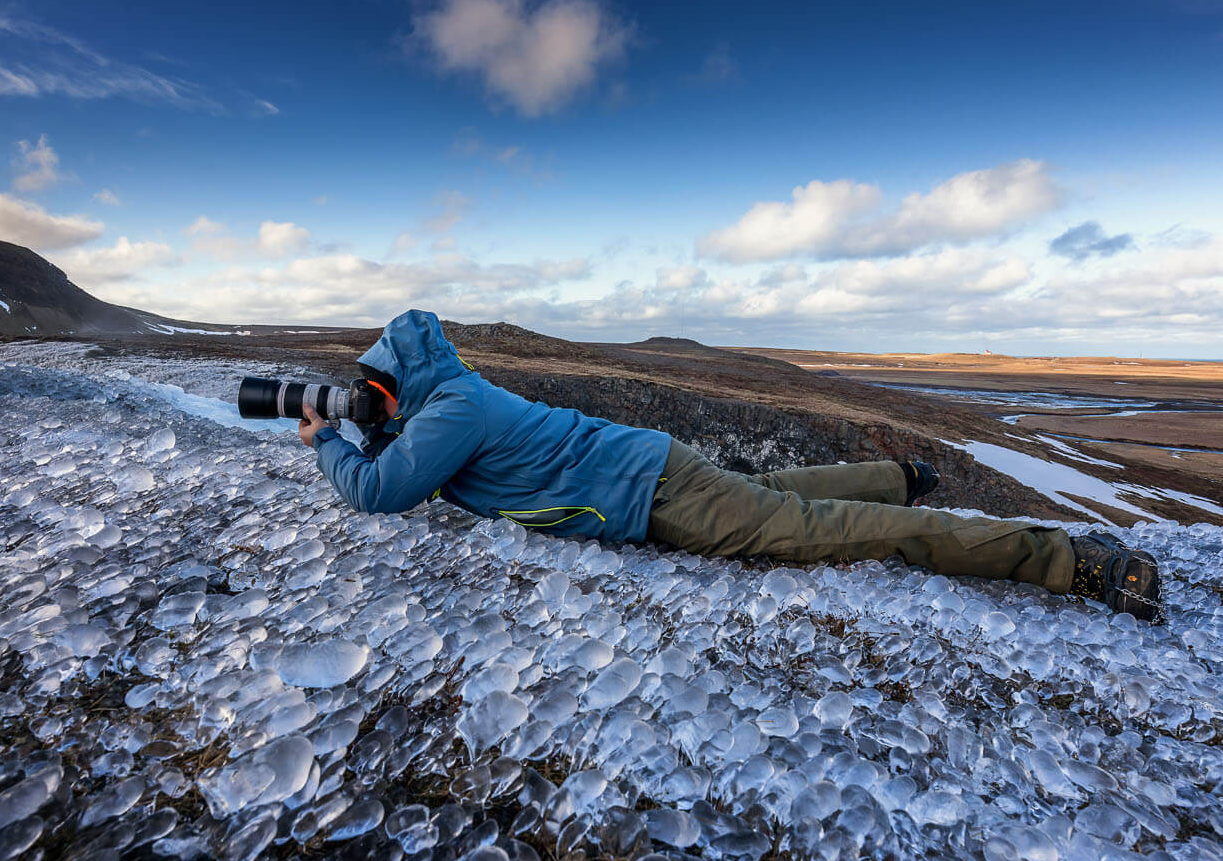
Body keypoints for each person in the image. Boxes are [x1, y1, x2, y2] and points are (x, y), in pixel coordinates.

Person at [299, 310, 1162, 622]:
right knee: (773, 496)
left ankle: (1072, 562)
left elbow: (381, 492)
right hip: (650, 468)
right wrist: (371, 427)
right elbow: (413, 463)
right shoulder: (454, 395)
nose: (369, 397)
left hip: (649, 491)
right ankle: (903, 476)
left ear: (397, 378)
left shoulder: (447, 410)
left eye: (374, 387)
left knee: (825, 535)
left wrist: (327, 440)